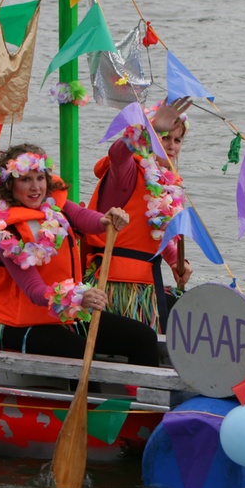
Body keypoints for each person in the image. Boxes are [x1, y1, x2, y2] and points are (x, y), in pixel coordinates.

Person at [0, 143, 159, 367]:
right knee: (79, 353)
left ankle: (144, 399)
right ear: (9, 185)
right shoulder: (5, 232)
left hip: (64, 313)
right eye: (25, 180)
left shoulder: (52, 206)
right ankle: (87, 402)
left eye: (40, 178)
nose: (35, 187)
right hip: (17, 321)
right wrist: (79, 297)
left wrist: (106, 220)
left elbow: (84, 217)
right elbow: (35, 291)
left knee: (143, 338)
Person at [84, 97, 194, 332]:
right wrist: (151, 127)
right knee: (145, 340)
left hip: (146, 284)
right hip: (115, 286)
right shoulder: (128, 172)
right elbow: (117, 154)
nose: (172, 145)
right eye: (164, 138)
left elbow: (153, 232)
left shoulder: (167, 184)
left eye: (177, 140)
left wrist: (175, 259)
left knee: (193, 311)